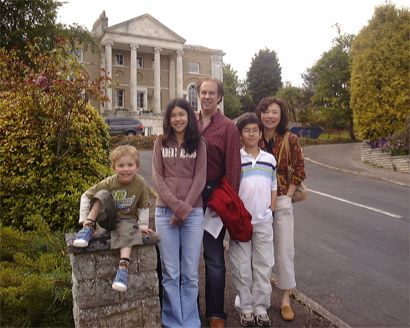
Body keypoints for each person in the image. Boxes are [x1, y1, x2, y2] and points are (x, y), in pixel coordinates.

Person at [152, 98, 207, 328]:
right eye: (173, 115)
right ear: (168, 119)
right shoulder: (160, 142)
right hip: (165, 213)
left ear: (189, 117)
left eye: (182, 114)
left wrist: (184, 210)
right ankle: (174, 322)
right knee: (171, 272)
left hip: (193, 214)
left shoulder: (200, 143)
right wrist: (177, 207)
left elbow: (200, 179)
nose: (178, 119)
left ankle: (191, 322)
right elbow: (157, 178)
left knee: (190, 273)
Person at [73, 145, 153, 292]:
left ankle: (122, 270)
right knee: (101, 194)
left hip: (127, 220)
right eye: (121, 165)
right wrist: (83, 218)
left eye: (130, 165)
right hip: (108, 218)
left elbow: (143, 205)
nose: (126, 169)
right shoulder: (109, 182)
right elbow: (86, 195)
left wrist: (142, 225)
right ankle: (87, 228)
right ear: (114, 167)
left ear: (137, 166)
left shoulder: (140, 183)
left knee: (129, 230)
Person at [256, 97, 306, 321]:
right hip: (258, 202)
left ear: (281, 115)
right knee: (260, 253)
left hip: (283, 199)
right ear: (260, 114)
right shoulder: (252, 136)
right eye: (266, 111)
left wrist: (287, 195)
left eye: (274, 112)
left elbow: (299, 168)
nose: (270, 116)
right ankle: (262, 297)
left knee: (285, 250)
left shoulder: (290, 138)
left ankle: (285, 299)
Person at [197, 77, 241, 328]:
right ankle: (190, 310)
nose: (206, 96)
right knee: (189, 257)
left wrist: (228, 203)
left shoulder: (228, 128)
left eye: (211, 93)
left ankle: (216, 313)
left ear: (219, 97)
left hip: (214, 196)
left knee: (213, 256)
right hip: (189, 197)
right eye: (203, 92)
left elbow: (234, 169)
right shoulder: (188, 121)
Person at [230, 113, 277, 327]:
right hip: (241, 221)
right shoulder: (235, 160)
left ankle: (260, 307)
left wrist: (271, 208)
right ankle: (246, 307)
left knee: (264, 265)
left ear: (260, 133)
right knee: (241, 266)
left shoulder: (269, 159)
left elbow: (274, 186)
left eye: (255, 130)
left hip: (264, 220)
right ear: (241, 133)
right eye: (247, 130)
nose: (251, 133)